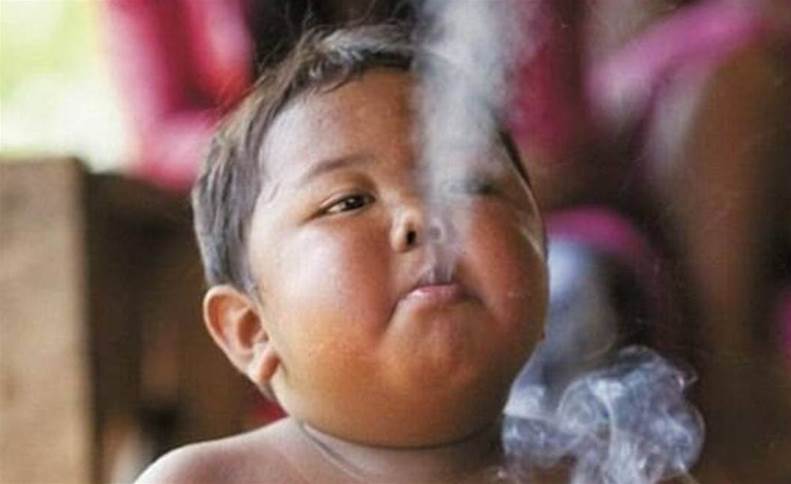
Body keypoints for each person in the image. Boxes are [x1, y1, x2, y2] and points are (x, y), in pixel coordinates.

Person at [135, 23, 558, 483]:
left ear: (542, 261)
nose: (422, 216)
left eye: (465, 184)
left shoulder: (597, 466)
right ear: (252, 330)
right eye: (350, 202)